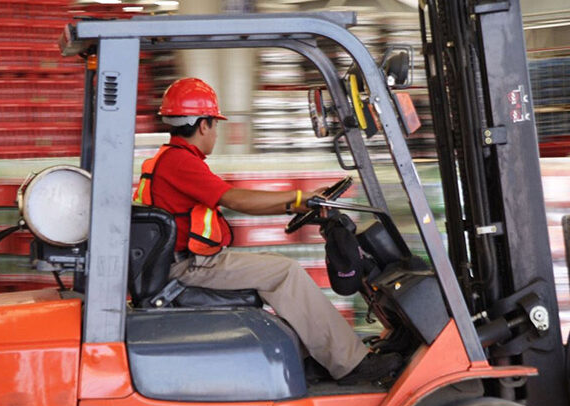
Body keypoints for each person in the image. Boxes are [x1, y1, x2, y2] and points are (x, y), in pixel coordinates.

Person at [136, 77, 402, 384]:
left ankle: (314, 360)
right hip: (189, 266)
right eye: (215, 125)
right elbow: (236, 199)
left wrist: (295, 206)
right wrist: (297, 198)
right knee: (285, 272)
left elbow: (237, 200)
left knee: (276, 267)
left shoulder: (166, 159)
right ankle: (351, 365)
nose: (215, 133)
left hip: (185, 261)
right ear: (203, 125)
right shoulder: (181, 162)